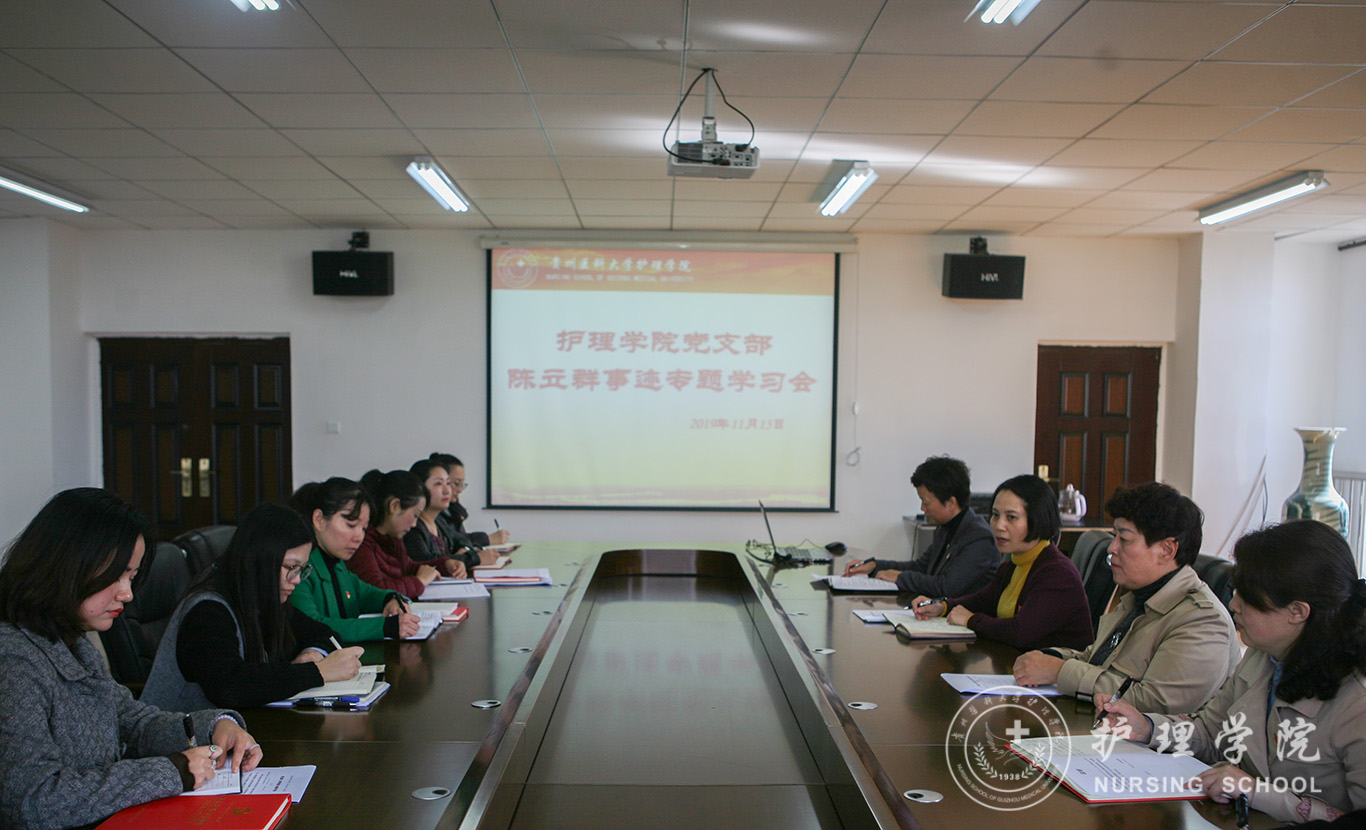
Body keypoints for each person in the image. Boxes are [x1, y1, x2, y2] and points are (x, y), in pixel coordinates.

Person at [0, 488, 262, 830]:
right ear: (66, 566)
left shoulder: (71, 641)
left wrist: (213, 727)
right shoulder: (14, 660)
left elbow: (130, 721)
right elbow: (32, 801)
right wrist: (173, 771)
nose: (127, 594)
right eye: (116, 577)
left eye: (132, 577)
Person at [1097, 520, 1366, 824]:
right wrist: (1146, 727)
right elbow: (1212, 734)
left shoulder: (1357, 700)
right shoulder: (1264, 655)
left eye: (1248, 598)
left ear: (1297, 611)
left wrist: (1258, 792)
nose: (1234, 604)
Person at [1013, 482, 1238, 712]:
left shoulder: (1202, 620)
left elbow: (1156, 701)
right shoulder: (1140, 598)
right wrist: (1048, 657)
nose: (1111, 548)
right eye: (1114, 537)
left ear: (1167, 550)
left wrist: (1059, 671)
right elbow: (1097, 660)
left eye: (1125, 539)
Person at [142, 503, 364, 711]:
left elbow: (324, 634)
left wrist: (312, 653)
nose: (297, 579)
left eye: (302, 569)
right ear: (260, 561)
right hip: (182, 733)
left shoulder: (264, 596)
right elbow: (229, 685)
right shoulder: (208, 610)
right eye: (291, 567)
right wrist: (317, 672)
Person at [912, 474, 1092, 651]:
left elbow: (1019, 632)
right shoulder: (1013, 564)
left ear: (1038, 519)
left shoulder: (1057, 573)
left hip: (1055, 668)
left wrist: (970, 620)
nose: (998, 526)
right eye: (995, 515)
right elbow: (984, 601)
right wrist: (942, 606)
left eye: (1011, 517)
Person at [842, 455, 998, 596]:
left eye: (926, 502)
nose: (922, 508)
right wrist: (876, 565)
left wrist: (900, 577)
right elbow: (921, 567)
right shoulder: (946, 528)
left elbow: (946, 587)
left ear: (951, 503)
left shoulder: (979, 538)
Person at [289, 477, 421, 643]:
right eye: (351, 525)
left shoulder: (336, 563)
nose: (359, 537)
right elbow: (312, 627)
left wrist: (390, 598)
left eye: (364, 528)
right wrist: (384, 627)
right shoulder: (298, 568)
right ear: (319, 519)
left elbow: (365, 594)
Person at [349, 469, 446, 597]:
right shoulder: (361, 542)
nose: (414, 524)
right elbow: (376, 590)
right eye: (415, 515)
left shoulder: (392, 538)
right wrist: (420, 581)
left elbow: (407, 567)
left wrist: (445, 565)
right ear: (394, 506)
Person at [432, 453, 509, 562]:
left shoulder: (453, 509)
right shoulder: (430, 517)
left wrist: (465, 549)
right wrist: (484, 543)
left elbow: (460, 539)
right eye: (455, 483)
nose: (460, 490)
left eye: (462, 484)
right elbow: (433, 560)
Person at [403, 458, 469, 577]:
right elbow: (428, 562)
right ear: (420, 488)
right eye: (439, 484)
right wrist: (469, 557)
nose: (447, 491)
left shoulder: (439, 521)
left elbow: (463, 540)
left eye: (448, 483)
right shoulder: (412, 526)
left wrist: (464, 550)